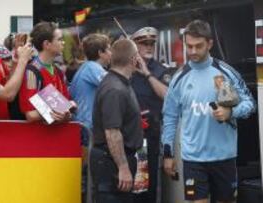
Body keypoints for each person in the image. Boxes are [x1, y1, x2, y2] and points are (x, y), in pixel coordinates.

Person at [162, 20, 255, 203]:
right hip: (193, 159)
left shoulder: (226, 72)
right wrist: (168, 154)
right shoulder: (179, 78)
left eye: (199, 46)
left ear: (210, 44)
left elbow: (250, 104)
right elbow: (170, 117)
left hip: (224, 157)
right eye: (189, 46)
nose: (193, 51)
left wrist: (231, 112)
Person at [90, 39, 145, 203]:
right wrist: (123, 167)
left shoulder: (118, 83)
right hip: (111, 163)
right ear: (134, 59)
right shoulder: (115, 89)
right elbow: (112, 132)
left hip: (115, 159)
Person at [130, 26, 171, 203]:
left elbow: (168, 96)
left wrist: (147, 74)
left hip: (149, 138)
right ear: (135, 46)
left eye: (151, 44)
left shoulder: (160, 70)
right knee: (130, 189)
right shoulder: (127, 69)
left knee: (146, 188)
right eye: (144, 44)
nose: (148, 47)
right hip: (128, 137)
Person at [69, 33, 111, 203]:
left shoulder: (86, 67)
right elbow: (113, 86)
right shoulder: (94, 68)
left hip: (85, 128)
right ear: (100, 52)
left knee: (85, 177)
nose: (111, 53)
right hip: (88, 130)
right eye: (109, 49)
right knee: (89, 177)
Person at [17, 22, 73, 122]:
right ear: (47, 44)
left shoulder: (59, 72)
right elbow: (30, 114)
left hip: (58, 134)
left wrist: (67, 113)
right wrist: (55, 111)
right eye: (59, 39)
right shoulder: (31, 72)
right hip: (38, 136)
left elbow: (66, 106)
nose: (63, 42)